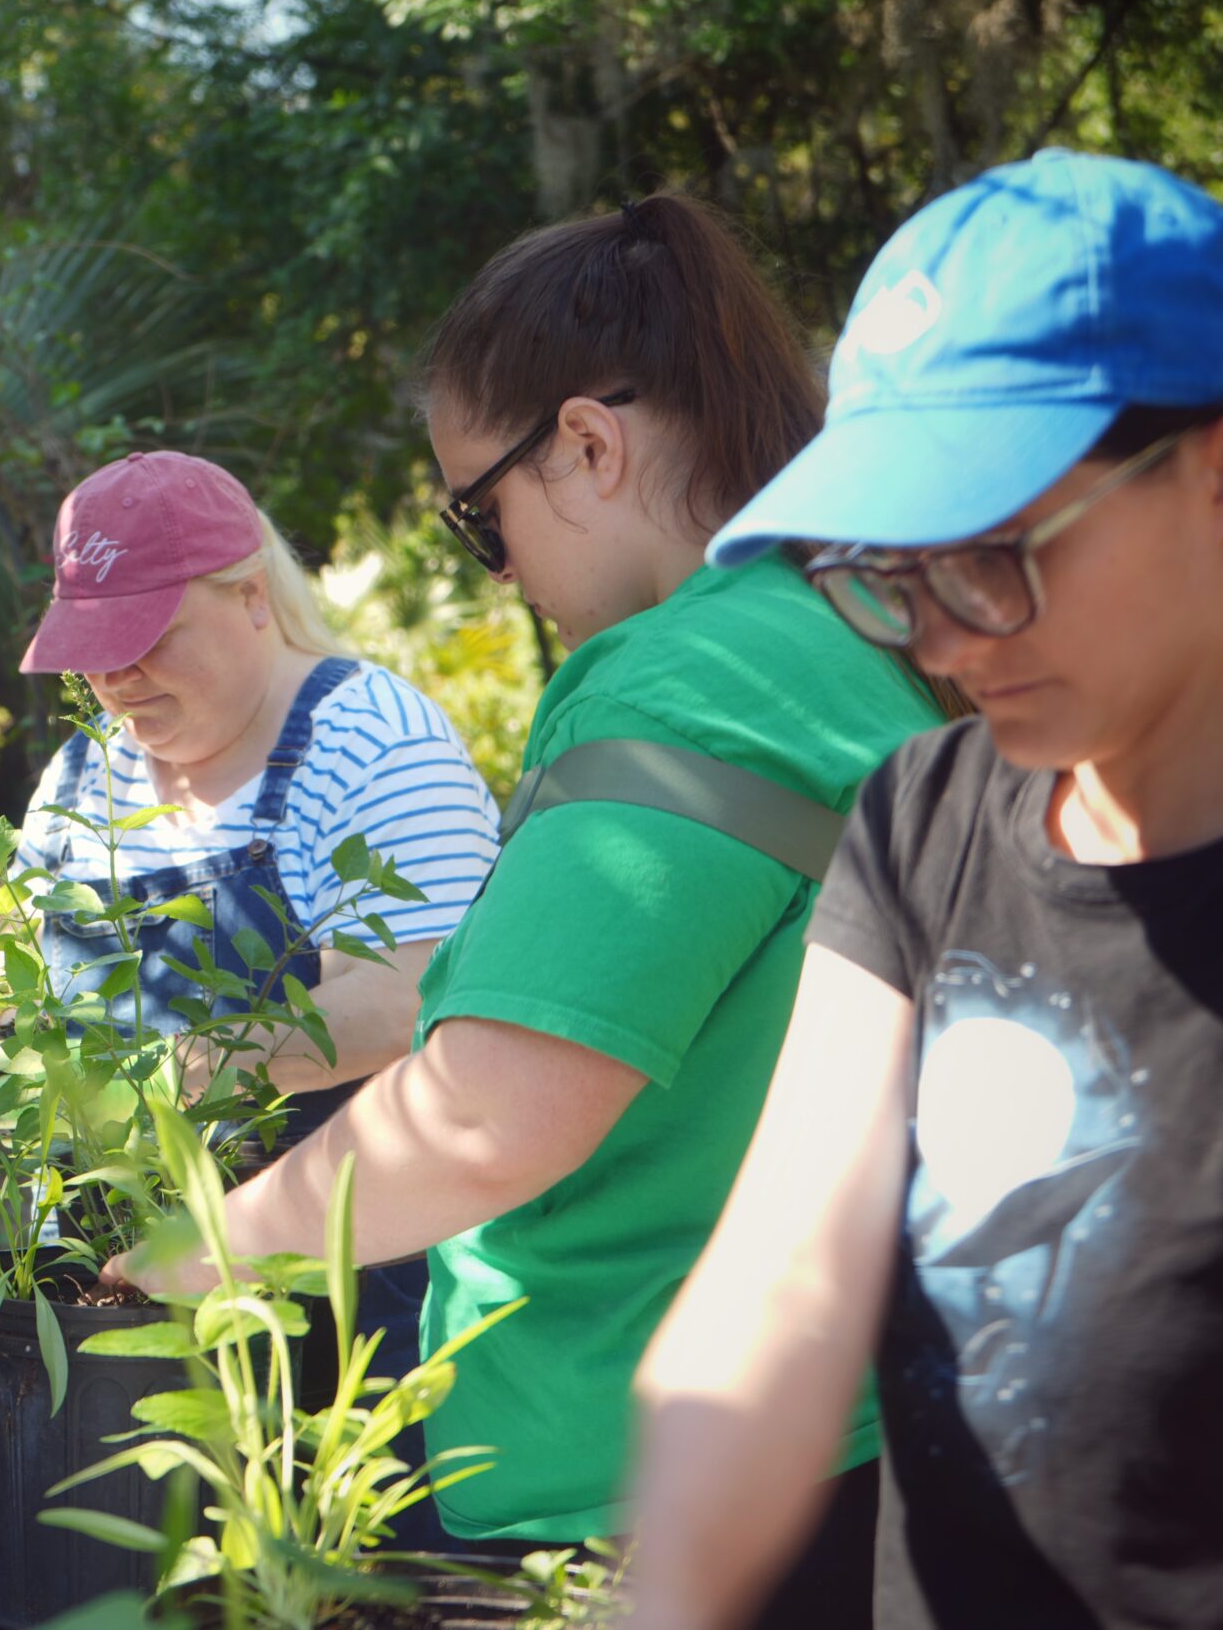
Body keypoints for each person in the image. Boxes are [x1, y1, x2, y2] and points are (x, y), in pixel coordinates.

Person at [110, 196, 947, 1623]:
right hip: (821, 1427)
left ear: (588, 445)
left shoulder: (687, 680)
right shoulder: (850, 630)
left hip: (623, 1479)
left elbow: (492, 1111)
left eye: (477, 515)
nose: (496, 570)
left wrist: (196, 1248)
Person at [625, 152, 1223, 1630]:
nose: (945, 639)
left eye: (997, 556)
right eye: (894, 569)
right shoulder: (924, 817)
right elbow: (784, 1286)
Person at [8, 448, 503, 1541]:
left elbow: (419, 998)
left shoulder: (374, 741)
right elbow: (32, 976)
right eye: (95, 655)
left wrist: (206, 1057)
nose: (118, 681)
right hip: (130, 1280)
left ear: (249, 595)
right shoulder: (90, 772)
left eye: (145, 641)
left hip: (346, 1282)